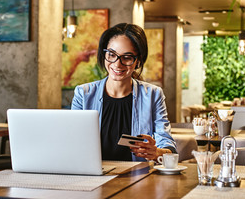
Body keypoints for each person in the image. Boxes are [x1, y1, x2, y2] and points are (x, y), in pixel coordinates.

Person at [71, 23, 177, 161]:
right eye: (111, 54)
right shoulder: (83, 94)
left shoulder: (153, 95)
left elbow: (168, 146)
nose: (117, 64)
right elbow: (72, 140)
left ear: (138, 61)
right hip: (93, 177)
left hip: (139, 178)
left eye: (127, 57)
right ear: (104, 55)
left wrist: (157, 152)